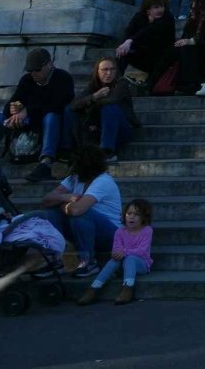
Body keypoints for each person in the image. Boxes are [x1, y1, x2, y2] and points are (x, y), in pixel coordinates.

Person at [0, 47, 75, 183]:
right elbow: (15, 99)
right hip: (28, 118)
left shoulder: (62, 78)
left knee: (51, 117)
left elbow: (58, 105)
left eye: (37, 70)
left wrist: (27, 111)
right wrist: (12, 110)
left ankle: (45, 162)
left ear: (49, 64)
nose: (33, 73)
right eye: (30, 70)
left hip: (50, 120)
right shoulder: (27, 80)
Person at [38, 146, 122, 279]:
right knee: (51, 212)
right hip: (84, 231)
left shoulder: (102, 181)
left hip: (110, 235)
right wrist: (63, 198)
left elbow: (77, 210)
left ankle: (88, 262)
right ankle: (54, 259)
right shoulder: (74, 179)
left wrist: (63, 206)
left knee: (81, 215)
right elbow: (46, 200)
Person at [77, 198, 153, 306]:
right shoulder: (119, 232)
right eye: (129, 213)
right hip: (122, 265)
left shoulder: (147, 230)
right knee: (114, 260)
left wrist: (124, 252)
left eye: (136, 214)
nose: (131, 216)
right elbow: (116, 249)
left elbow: (142, 251)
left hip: (141, 264)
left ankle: (127, 288)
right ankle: (94, 288)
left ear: (144, 217)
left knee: (130, 258)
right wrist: (116, 254)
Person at [69, 57, 137, 162]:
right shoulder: (93, 86)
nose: (109, 73)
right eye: (105, 70)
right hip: (98, 130)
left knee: (109, 108)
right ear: (98, 72)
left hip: (122, 128)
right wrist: (94, 96)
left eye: (112, 69)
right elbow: (74, 104)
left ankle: (107, 151)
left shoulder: (121, 84)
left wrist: (90, 106)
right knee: (70, 111)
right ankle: (69, 150)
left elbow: (111, 100)